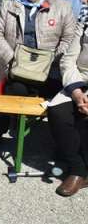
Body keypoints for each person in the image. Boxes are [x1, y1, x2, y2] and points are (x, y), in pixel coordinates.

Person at [0, 0, 75, 149]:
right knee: (15, 90)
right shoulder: (9, 5)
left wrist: (50, 61)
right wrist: (12, 58)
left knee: (56, 96)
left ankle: (63, 144)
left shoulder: (62, 7)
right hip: (16, 68)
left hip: (50, 69)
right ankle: (1, 129)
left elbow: (69, 38)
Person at [51, 17, 88, 196]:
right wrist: (77, 92)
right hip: (78, 82)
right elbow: (68, 60)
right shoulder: (85, 22)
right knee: (58, 112)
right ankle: (78, 169)